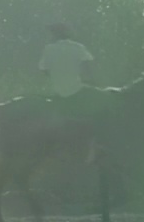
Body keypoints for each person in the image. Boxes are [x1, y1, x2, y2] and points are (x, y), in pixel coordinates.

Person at [38, 23, 103, 162]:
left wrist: (57, 76)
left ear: (54, 34)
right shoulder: (78, 48)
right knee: (100, 111)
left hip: (57, 91)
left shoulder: (49, 49)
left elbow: (44, 70)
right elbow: (88, 68)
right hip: (76, 89)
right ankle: (96, 146)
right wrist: (94, 83)